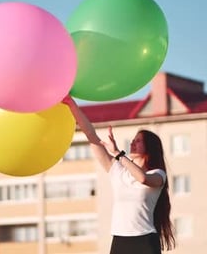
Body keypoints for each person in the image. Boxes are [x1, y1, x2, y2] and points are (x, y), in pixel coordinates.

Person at [63, 96, 175, 254]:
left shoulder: (158, 174)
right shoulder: (117, 170)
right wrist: (72, 104)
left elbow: (142, 179)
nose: (132, 143)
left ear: (149, 147)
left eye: (138, 141)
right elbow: (91, 135)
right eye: (133, 140)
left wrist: (117, 153)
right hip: (120, 240)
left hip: (145, 241)